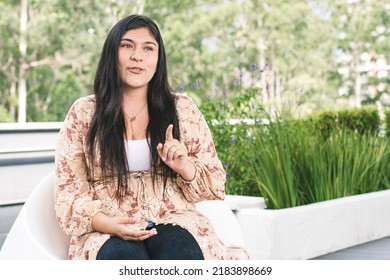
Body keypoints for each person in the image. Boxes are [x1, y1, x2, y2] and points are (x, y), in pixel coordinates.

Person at [54, 14, 249, 260]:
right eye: (127, 46)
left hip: (174, 217)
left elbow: (215, 183)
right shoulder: (83, 113)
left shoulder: (182, 109)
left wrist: (184, 165)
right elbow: (68, 194)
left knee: (182, 253)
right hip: (108, 223)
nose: (138, 56)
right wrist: (108, 224)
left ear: (158, 59)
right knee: (120, 259)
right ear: (111, 54)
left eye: (148, 48)